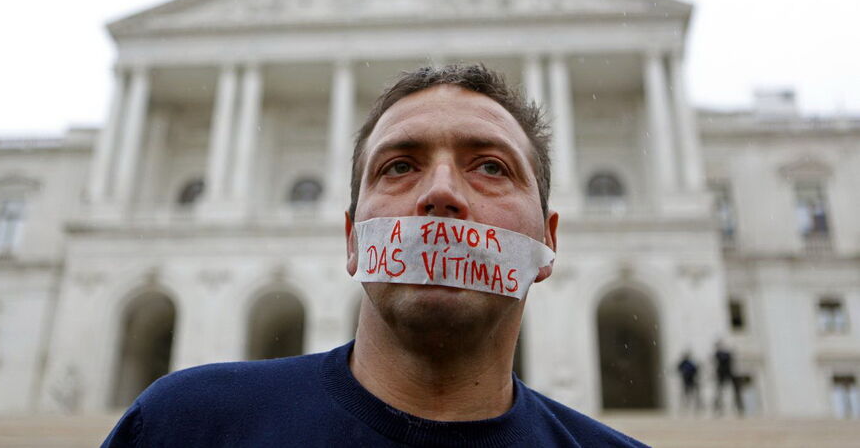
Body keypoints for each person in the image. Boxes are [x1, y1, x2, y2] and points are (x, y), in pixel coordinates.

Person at [102, 64, 648, 447]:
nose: (441, 194)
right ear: (352, 239)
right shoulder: (182, 427)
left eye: (489, 167)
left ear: (547, 243)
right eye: (399, 166)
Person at [712, 340, 743, 416]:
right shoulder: (718, 354)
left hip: (729, 373)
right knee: (719, 392)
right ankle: (718, 408)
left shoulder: (725, 354)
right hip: (721, 374)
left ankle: (739, 408)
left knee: (735, 391)